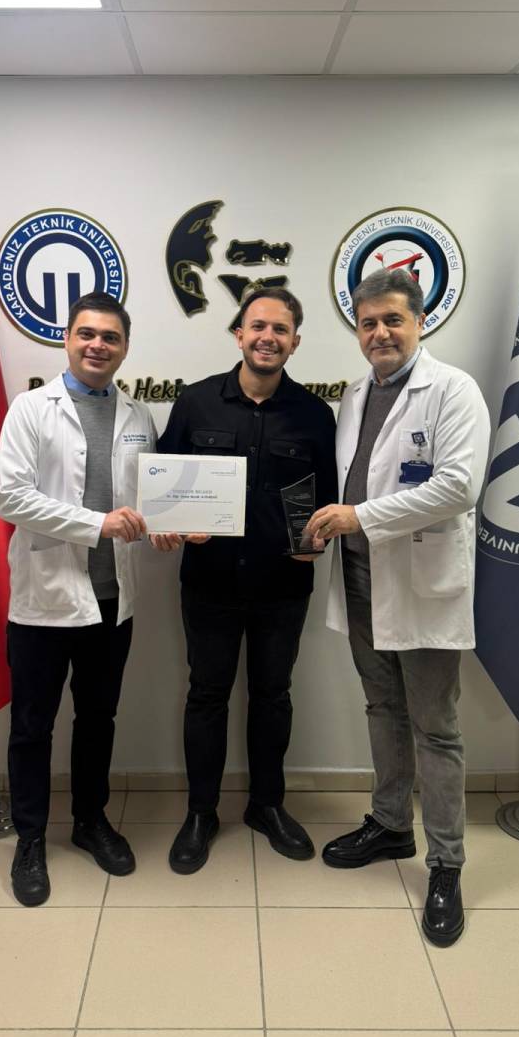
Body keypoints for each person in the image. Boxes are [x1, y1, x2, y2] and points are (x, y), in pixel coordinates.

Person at [306, 268, 489, 947]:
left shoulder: (453, 390)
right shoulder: (355, 395)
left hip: (421, 583)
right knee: (382, 707)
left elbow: (459, 487)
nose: (379, 333)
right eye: (368, 323)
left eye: (392, 320)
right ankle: (389, 825)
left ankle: (446, 865)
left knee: (435, 728)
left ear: (420, 322)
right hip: (361, 578)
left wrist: (359, 516)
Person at [154, 287, 337, 873]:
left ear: (295, 342)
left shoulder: (315, 415)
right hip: (209, 584)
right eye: (258, 326)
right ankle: (201, 813)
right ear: (239, 333)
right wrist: (175, 523)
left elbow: (326, 498)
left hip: (283, 587)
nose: (268, 338)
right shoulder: (196, 402)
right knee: (206, 697)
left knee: (273, 696)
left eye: (280, 329)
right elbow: (164, 485)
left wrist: (317, 540)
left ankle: (266, 806)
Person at [0, 292, 156, 906]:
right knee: (32, 727)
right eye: (87, 333)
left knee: (97, 718)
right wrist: (97, 524)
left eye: (110, 337)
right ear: (67, 339)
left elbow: (146, 502)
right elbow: (11, 498)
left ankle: (90, 820)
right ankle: (30, 839)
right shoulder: (32, 409)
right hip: (43, 602)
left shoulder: (140, 417)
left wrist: (166, 527)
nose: (97, 345)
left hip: (111, 601)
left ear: (124, 347)